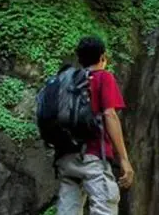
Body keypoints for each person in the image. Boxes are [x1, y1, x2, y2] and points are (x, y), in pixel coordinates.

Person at [56, 36, 134, 214]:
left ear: (80, 59)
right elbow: (110, 115)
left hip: (66, 158)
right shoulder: (103, 78)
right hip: (92, 157)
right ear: (102, 57)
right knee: (104, 208)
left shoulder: (68, 81)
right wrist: (123, 159)